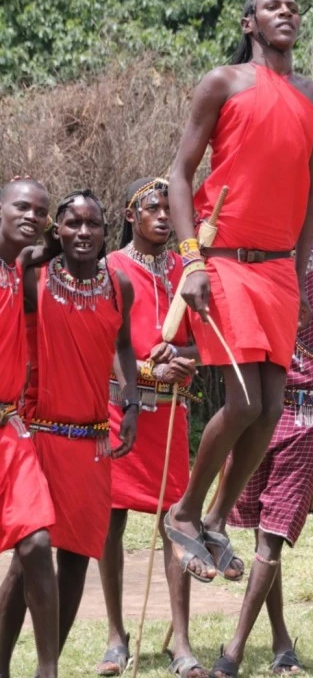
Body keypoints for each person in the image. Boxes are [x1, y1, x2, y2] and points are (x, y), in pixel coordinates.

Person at [165, 0, 313, 583]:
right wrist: (191, 260)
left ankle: (214, 519)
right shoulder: (222, 83)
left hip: (280, 271)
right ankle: (184, 514)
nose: (286, 12)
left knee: (272, 407)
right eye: (272, 6)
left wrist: (300, 276)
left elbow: (309, 195)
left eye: (292, 6)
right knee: (244, 401)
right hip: (225, 261)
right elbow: (179, 176)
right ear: (249, 22)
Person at [0, 190, 139, 668]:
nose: (83, 231)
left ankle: (49, 666)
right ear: (56, 230)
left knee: (78, 557)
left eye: (93, 223)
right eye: (72, 222)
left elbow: (124, 344)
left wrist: (132, 402)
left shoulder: (118, 285)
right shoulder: (33, 278)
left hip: (92, 439)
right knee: (28, 556)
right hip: (37, 434)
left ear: (106, 231)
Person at [211, 242, 313, 678]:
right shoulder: (255, 257)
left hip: (307, 412)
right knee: (260, 532)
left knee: (272, 536)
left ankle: (234, 650)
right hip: (256, 409)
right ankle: (281, 641)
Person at [96, 178, 199, 678]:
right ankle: (116, 637)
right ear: (130, 215)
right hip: (119, 410)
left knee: (176, 523)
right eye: (152, 208)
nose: (162, 216)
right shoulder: (109, 269)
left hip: (171, 414)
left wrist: (180, 355)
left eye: (167, 209)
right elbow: (97, 345)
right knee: (109, 522)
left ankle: (181, 641)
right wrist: (144, 370)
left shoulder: (187, 272)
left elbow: (206, 345)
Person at [0, 178, 58, 678]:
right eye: (21, 206)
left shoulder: (17, 266)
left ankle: (47, 669)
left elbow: (47, 249)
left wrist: (56, 232)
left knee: (37, 542)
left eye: (41, 210)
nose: (32, 216)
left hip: (10, 427)